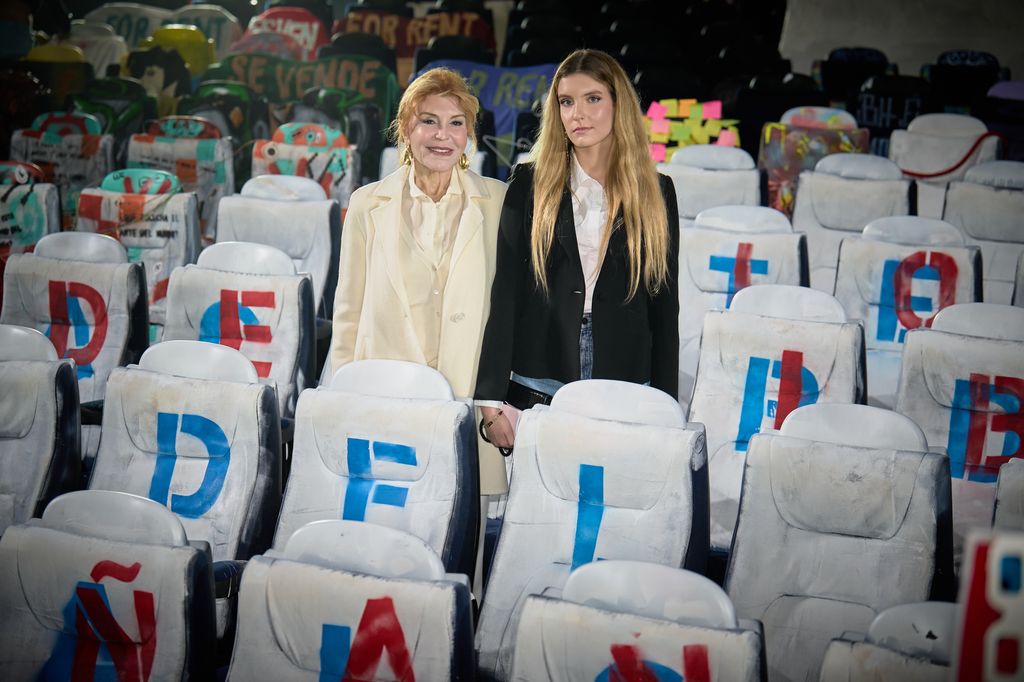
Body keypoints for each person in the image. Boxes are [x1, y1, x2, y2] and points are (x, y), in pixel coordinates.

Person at [476, 49, 679, 449]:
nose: (577, 114)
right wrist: (489, 401)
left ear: (618, 104)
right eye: (566, 102)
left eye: (593, 98)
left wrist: (667, 406)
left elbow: (665, 308)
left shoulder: (658, 191)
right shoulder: (528, 183)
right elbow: (505, 293)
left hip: (624, 373)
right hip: (537, 371)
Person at [329, 66, 508, 495]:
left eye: (456, 123)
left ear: (469, 135)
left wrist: (495, 404)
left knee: (464, 537)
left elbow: (510, 315)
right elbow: (348, 311)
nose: (442, 135)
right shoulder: (367, 203)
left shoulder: (500, 202)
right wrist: (343, 394)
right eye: (428, 121)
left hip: (467, 399)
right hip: (386, 397)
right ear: (406, 129)